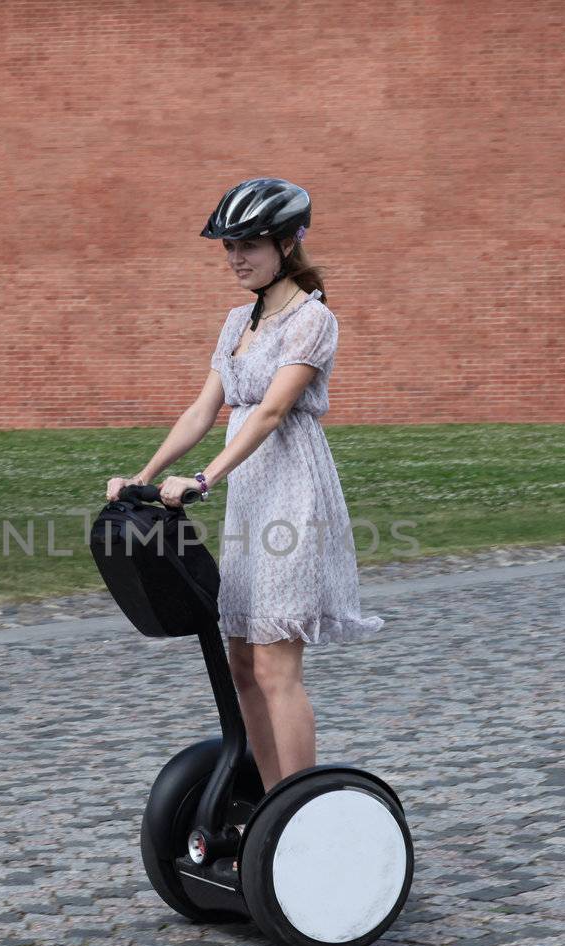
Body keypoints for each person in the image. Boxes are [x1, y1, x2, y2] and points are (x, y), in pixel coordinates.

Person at [104, 176, 384, 794]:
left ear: (288, 243)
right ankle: (268, 799)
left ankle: (300, 807)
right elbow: (203, 411)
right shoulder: (237, 321)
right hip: (248, 495)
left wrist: (204, 477)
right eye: (229, 245)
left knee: (276, 664)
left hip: (293, 489)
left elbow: (270, 412)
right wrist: (142, 477)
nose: (236, 257)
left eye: (250, 244)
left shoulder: (313, 320)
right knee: (241, 662)